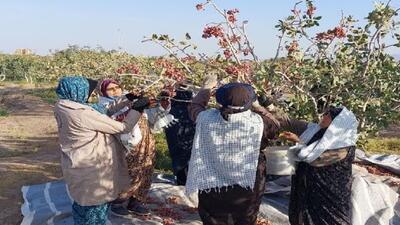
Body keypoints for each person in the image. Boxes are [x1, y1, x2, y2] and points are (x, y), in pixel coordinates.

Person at [54, 76, 150, 225]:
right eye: (88, 91)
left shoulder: (65, 106)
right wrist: (138, 109)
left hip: (79, 162)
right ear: (77, 91)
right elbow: (123, 127)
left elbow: (102, 110)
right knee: (95, 208)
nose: (90, 95)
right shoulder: (81, 114)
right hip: (92, 168)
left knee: (83, 206)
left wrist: (127, 98)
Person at [186, 76, 280, 225]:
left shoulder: (206, 118)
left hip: (212, 183)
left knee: (213, 217)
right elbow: (275, 125)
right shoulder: (259, 123)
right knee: (245, 218)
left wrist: (206, 88)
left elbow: (195, 107)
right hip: (247, 183)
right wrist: (258, 105)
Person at [98, 79, 174, 216]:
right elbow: (112, 118)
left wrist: (161, 105)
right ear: (104, 91)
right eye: (111, 89)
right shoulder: (104, 105)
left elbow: (152, 117)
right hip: (123, 143)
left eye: (117, 87)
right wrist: (134, 106)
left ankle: (137, 200)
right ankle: (118, 201)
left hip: (145, 139)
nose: (116, 91)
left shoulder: (131, 98)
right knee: (127, 170)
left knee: (145, 168)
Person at [278, 106, 358, 225]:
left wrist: (298, 141)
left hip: (327, 197)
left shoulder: (341, 147)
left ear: (337, 123)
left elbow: (314, 159)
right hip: (307, 190)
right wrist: (264, 105)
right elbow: (288, 121)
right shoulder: (314, 130)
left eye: (327, 115)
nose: (323, 117)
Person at [164, 84, 196, 185]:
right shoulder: (190, 111)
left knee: (176, 153)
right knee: (187, 154)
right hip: (186, 125)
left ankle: (180, 178)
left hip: (174, 125)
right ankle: (186, 180)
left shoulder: (171, 111)